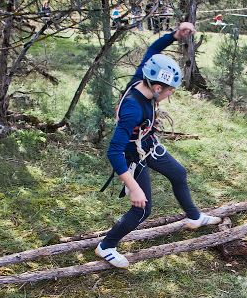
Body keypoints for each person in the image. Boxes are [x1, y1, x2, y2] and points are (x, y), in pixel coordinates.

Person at [95, 22, 221, 268]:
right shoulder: (133, 107)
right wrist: (133, 187)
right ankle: (106, 246)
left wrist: (175, 35)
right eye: (169, 91)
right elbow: (114, 151)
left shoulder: (144, 76)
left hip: (148, 144)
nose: (170, 95)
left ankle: (194, 218)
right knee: (142, 209)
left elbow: (153, 49)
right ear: (156, 87)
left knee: (178, 173)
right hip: (134, 154)